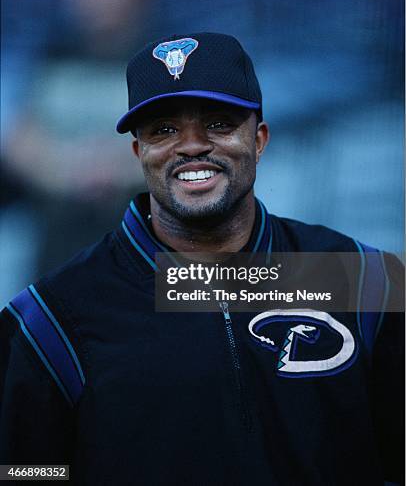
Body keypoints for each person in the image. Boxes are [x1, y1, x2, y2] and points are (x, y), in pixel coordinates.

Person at [0, 33, 403, 485]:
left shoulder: (363, 279)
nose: (191, 146)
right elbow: (22, 470)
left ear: (261, 139)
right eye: (164, 130)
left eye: (218, 123)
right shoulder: (52, 316)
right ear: (140, 153)